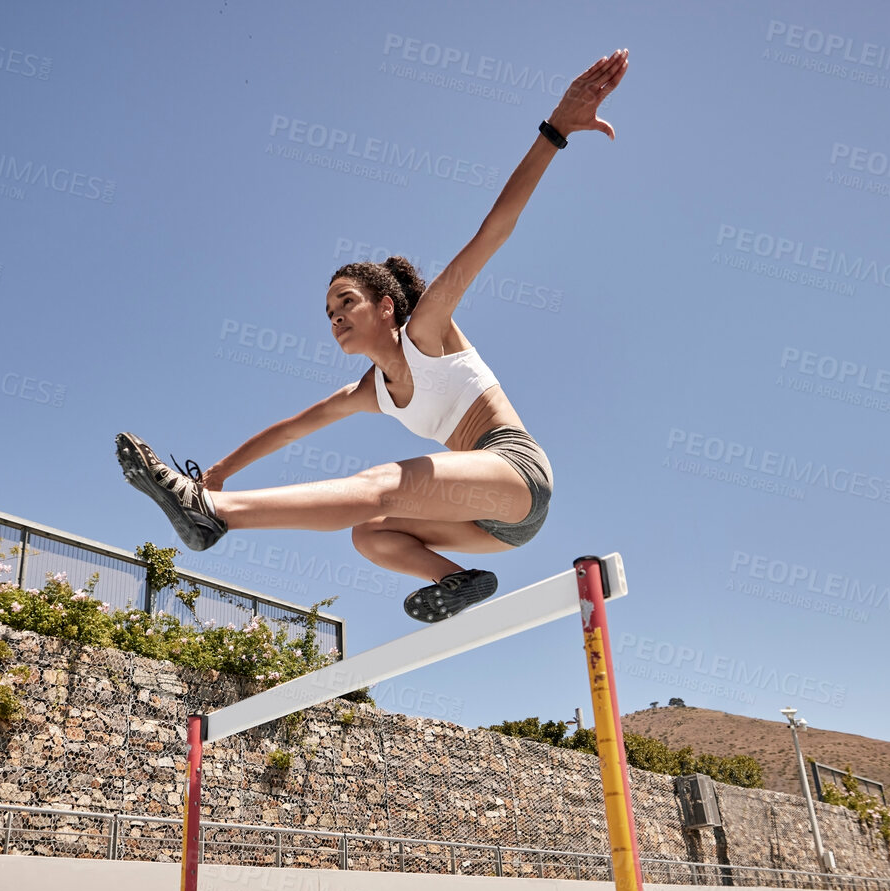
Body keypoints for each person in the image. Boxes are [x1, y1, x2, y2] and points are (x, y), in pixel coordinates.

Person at [119, 49, 629, 622]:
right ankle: (458, 581)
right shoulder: (370, 391)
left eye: (346, 302)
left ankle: (213, 513)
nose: (334, 316)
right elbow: (291, 430)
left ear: (387, 307)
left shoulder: (428, 330)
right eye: (328, 311)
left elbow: (494, 231)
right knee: (369, 533)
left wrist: (555, 129)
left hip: (517, 478)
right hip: (489, 528)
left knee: (385, 483)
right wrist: (218, 469)